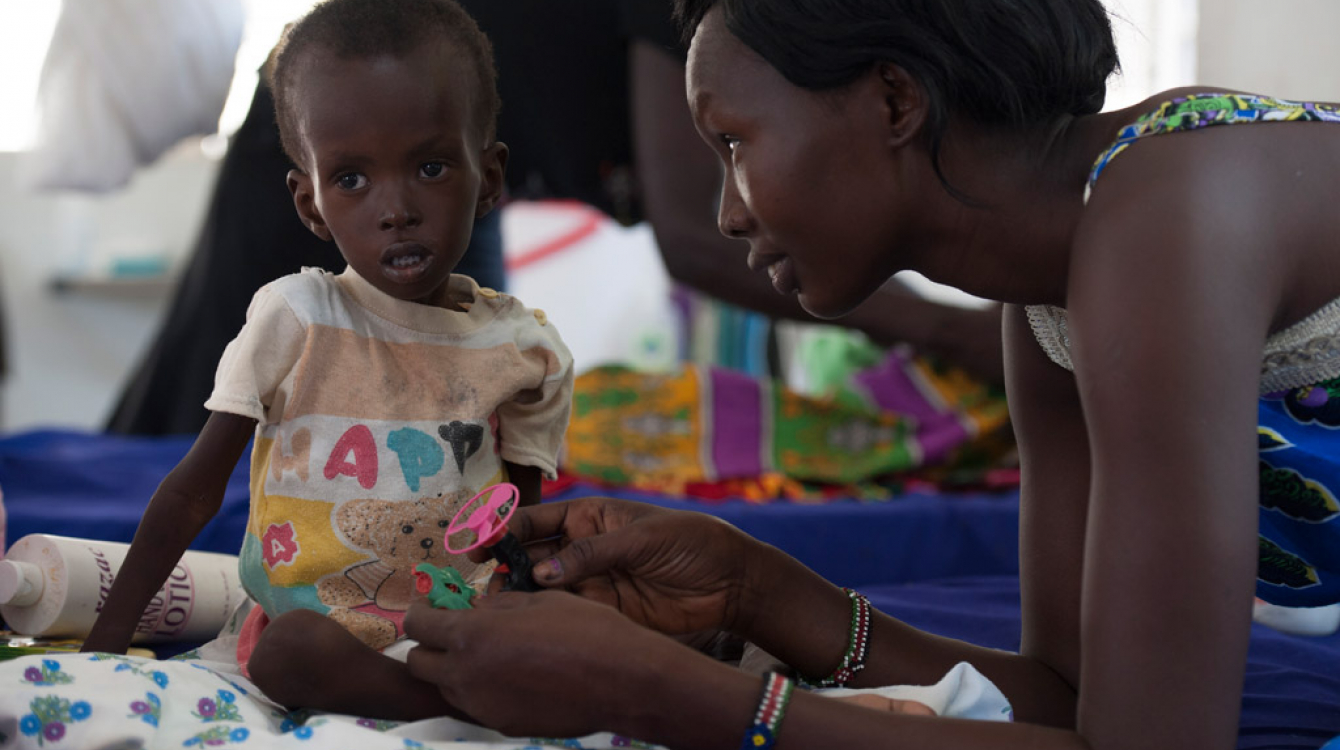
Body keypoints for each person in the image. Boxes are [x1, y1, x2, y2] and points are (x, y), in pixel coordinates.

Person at [398, 0, 1340, 748]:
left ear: (894, 101)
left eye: (733, 142)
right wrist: (750, 588)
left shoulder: (1162, 225)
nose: (725, 212)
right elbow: (1064, 697)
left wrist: (659, 691)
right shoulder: (1052, 293)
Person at [83, 0, 574, 722]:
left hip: (455, 626)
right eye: (351, 180)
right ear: (310, 205)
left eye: (432, 167)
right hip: (316, 634)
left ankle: (474, 680)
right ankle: (450, 701)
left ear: (490, 177)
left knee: (607, 609)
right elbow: (193, 492)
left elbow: (520, 523)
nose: (396, 208)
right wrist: (102, 650)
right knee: (289, 655)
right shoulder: (297, 321)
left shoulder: (524, 351)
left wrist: (526, 620)